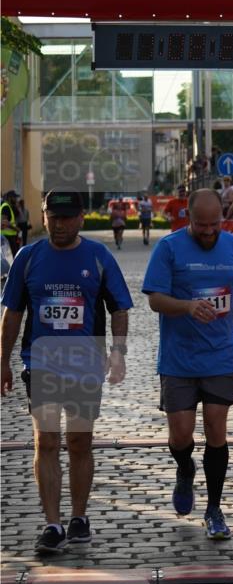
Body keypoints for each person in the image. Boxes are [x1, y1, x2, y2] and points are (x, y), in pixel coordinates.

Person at [0, 190, 132, 554]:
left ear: (81, 219)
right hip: (40, 362)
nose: (59, 224)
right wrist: (3, 362)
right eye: (52, 217)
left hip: (85, 363)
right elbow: (11, 315)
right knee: (46, 441)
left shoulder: (98, 257)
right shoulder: (28, 258)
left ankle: (78, 517)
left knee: (78, 442)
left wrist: (118, 352)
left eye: (67, 217)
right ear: (43, 216)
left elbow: (120, 307)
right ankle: (53, 524)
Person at [142, 188, 233, 540]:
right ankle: (184, 468)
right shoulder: (169, 248)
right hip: (179, 358)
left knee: (215, 429)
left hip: (221, 355)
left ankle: (214, 508)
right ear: (188, 218)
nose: (209, 231)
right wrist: (187, 306)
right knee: (180, 435)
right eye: (201, 225)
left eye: (215, 224)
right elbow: (154, 300)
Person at [1, 189, 21, 256]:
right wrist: (16, 229)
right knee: (12, 258)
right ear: (10, 198)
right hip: (7, 237)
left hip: (10, 236)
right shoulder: (6, 207)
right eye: (14, 197)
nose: (16, 199)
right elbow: (4, 222)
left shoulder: (8, 207)